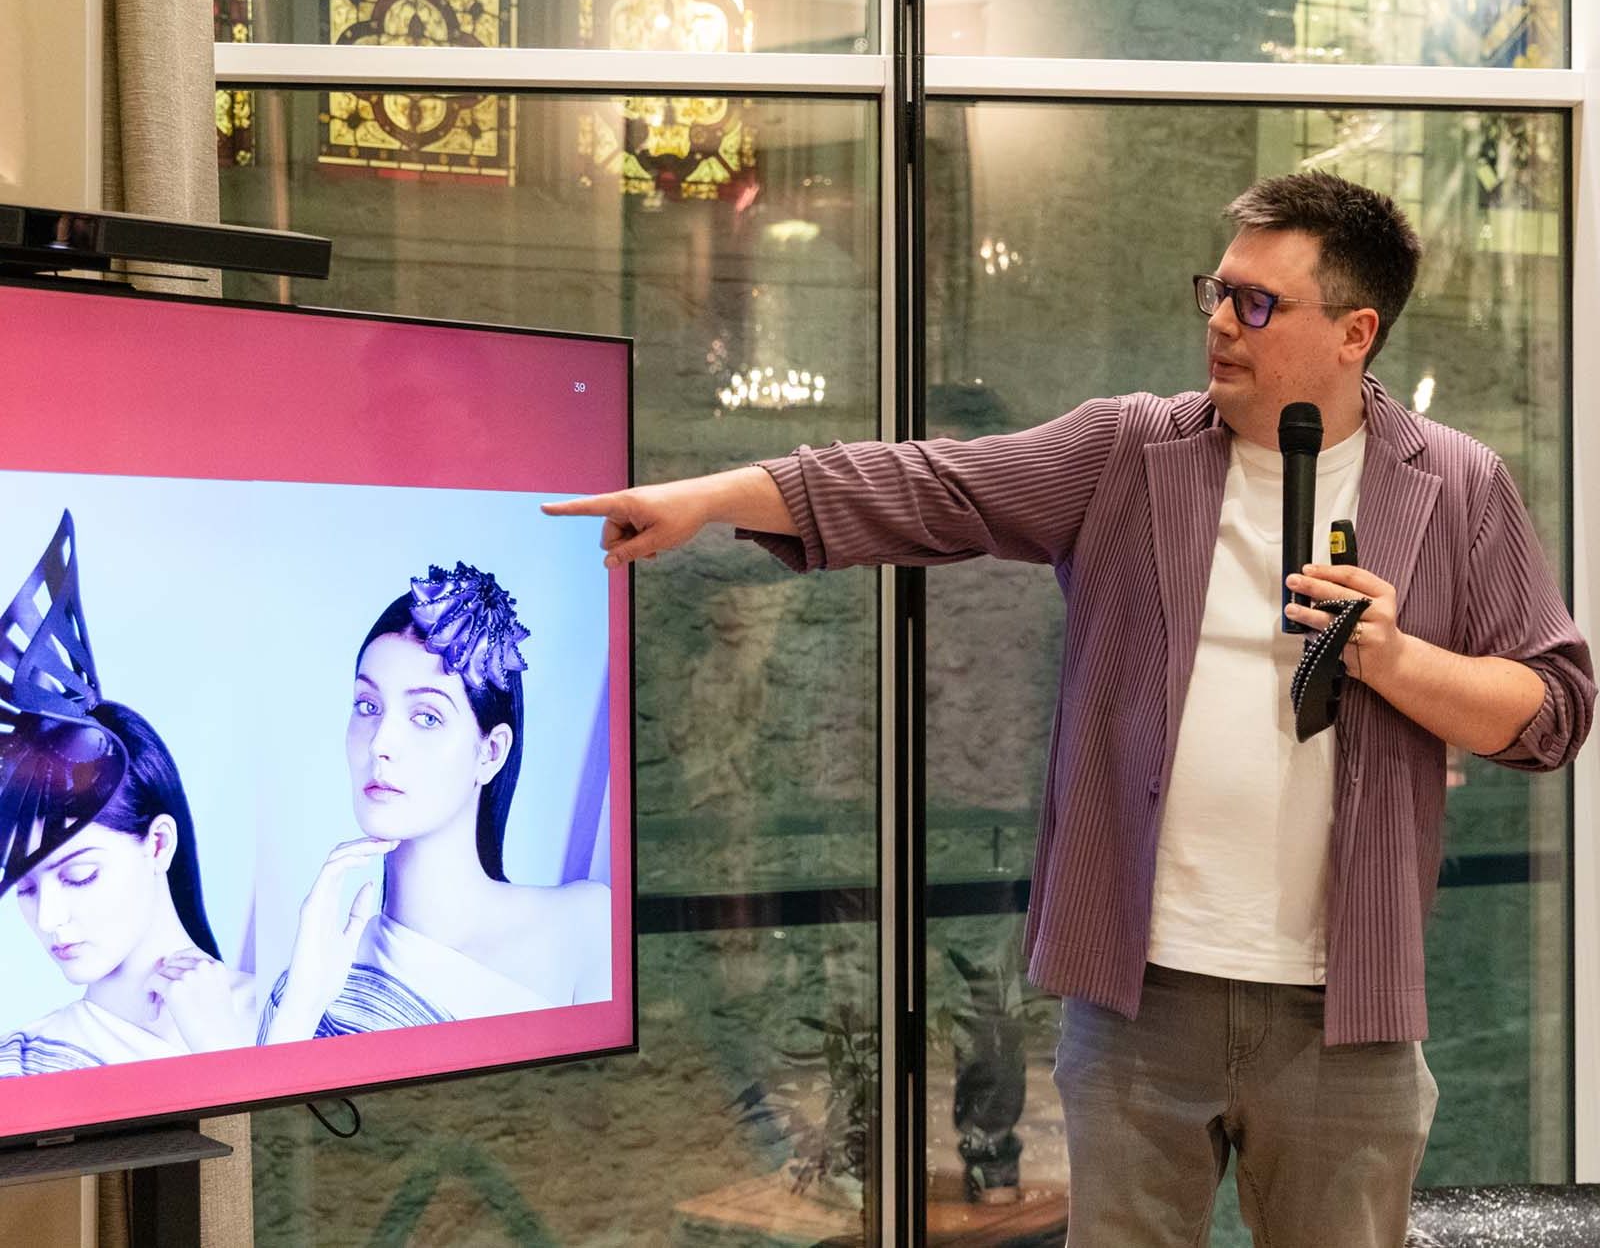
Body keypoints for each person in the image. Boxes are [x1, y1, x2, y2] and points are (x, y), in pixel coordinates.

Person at [544, 172, 1595, 1247]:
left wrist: (1394, 657)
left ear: (1354, 331)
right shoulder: (1128, 452)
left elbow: (1551, 707)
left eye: (1258, 304)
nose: (1221, 323)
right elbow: (929, 486)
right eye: (1217, 292)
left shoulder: (1455, 484)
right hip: (1140, 998)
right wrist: (714, 495)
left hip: (1347, 1011)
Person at [260, 562, 610, 1043]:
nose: (381, 741)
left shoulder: (585, 926)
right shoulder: (310, 982)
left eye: (426, 717)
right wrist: (301, 1004)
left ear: (491, 752)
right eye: (368, 706)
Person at [0, 513, 253, 1075]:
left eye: (79, 874)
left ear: (158, 843)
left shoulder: (276, 1015)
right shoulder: (18, 1065)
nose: (49, 919)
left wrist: (226, 1052)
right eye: (25, 889)